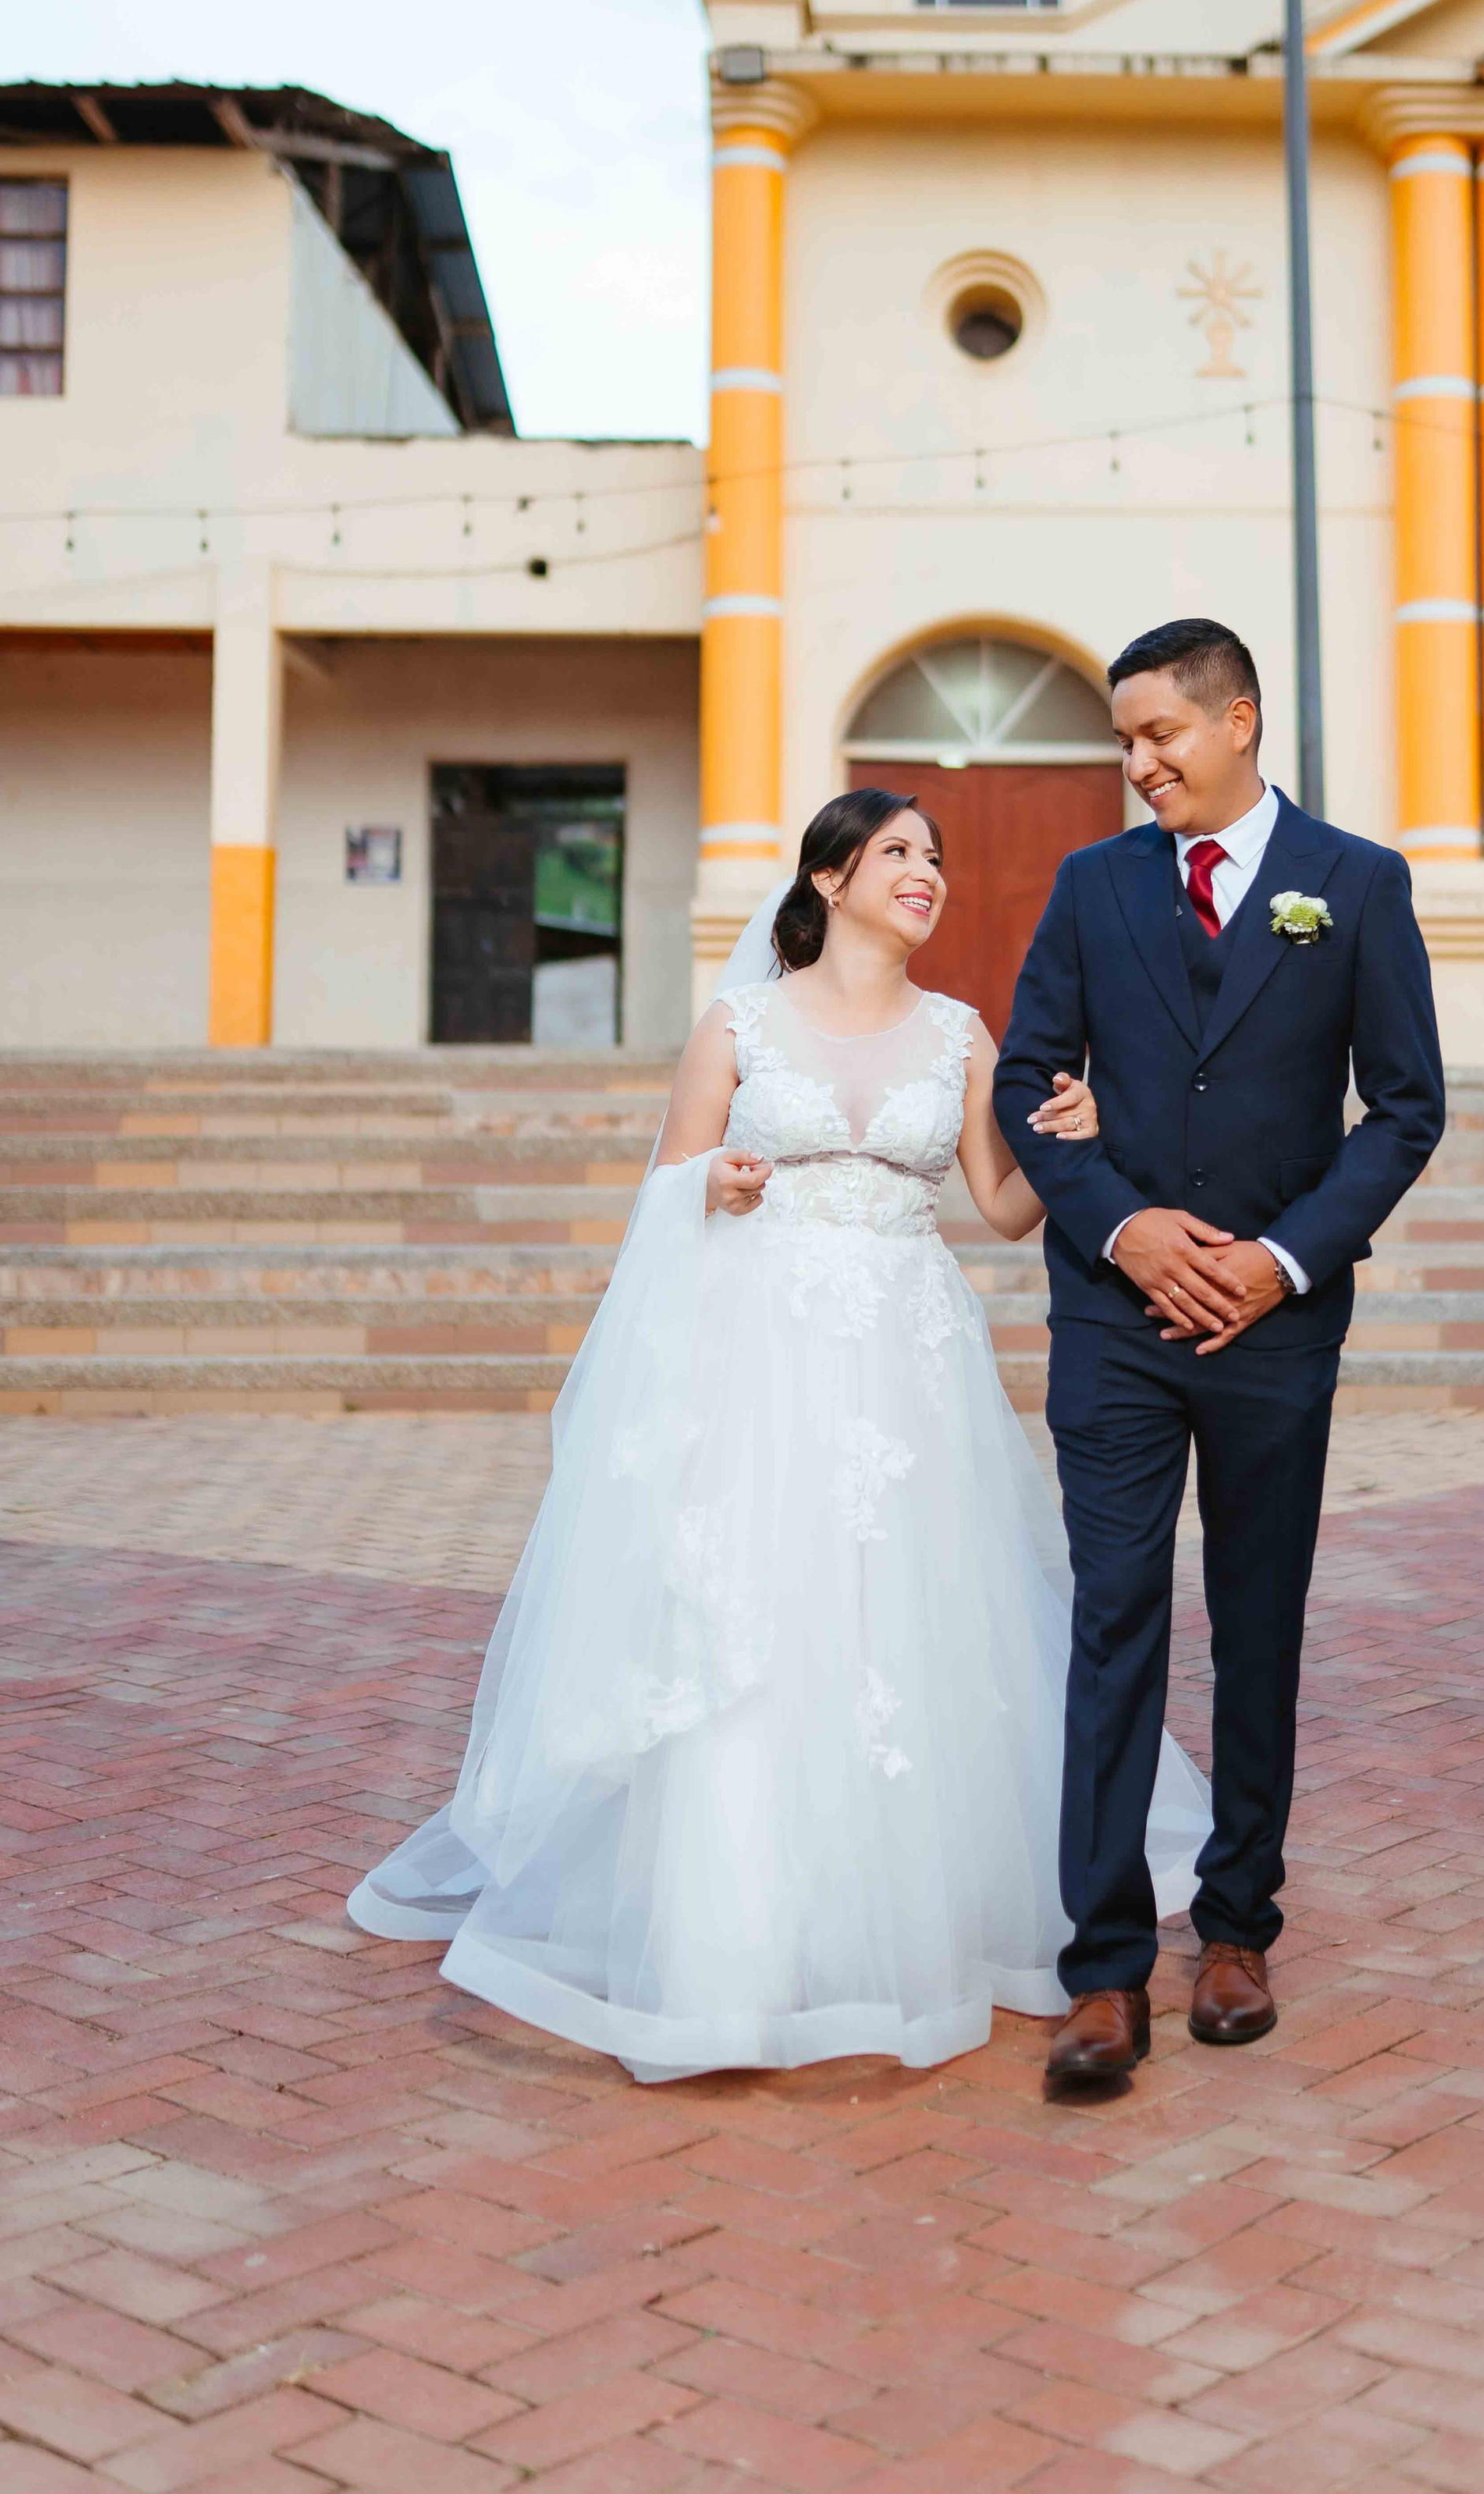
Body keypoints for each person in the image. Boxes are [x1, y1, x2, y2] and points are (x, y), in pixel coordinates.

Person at [347, 789, 1209, 2079]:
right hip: (765, 1355)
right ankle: (738, 1951)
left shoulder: (964, 1036)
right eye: (899, 854)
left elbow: (1003, 1205)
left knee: (909, 1620)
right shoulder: (739, 1023)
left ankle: (909, 1924)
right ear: (829, 877)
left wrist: (1071, 1136)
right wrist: (716, 1182)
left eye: (935, 859)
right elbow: (666, 1187)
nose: (928, 875)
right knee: (764, 1617)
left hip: (910, 1362)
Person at [995, 620, 1445, 2083]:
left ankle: (1239, 1926)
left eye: (1158, 737)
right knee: (1114, 1620)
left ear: (1237, 720)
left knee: (1260, 1621)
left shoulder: (1358, 886)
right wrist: (1126, 1231)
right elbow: (1024, 1074)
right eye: (1122, 743)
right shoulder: (1089, 887)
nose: (1136, 768)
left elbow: (1404, 1108)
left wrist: (1275, 1259)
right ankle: (1106, 1969)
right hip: (1115, 1324)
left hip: (1274, 1325)